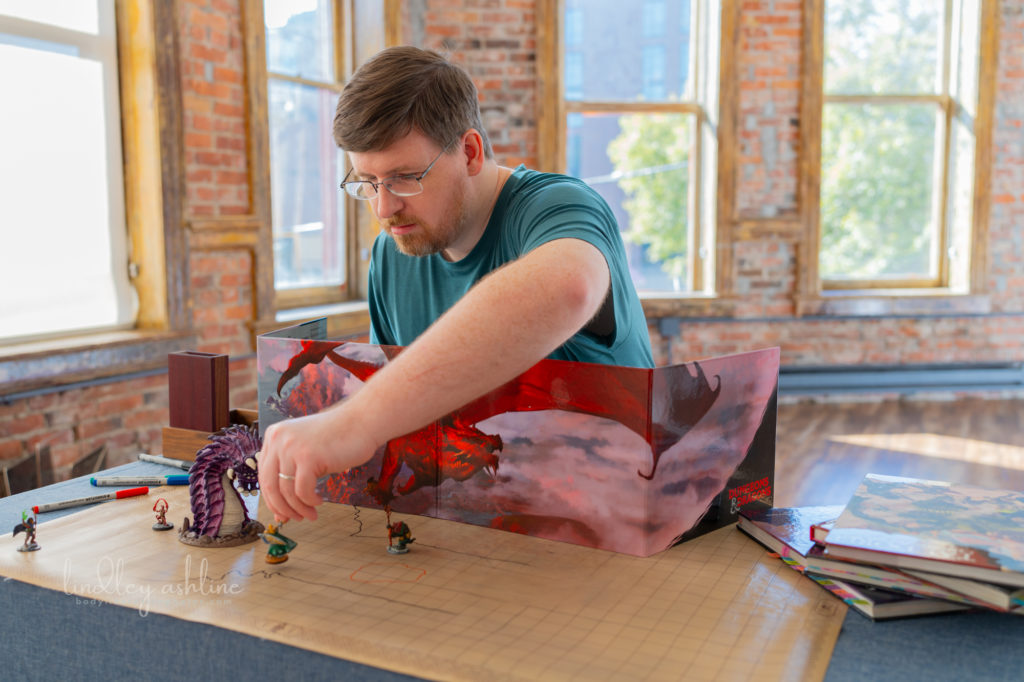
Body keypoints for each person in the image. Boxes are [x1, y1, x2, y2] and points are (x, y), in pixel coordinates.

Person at [259, 46, 653, 524]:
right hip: (479, 528)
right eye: (367, 182)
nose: (383, 209)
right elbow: (410, 407)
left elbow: (568, 285)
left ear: (469, 152)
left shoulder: (558, 206)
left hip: (617, 522)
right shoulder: (392, 253)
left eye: (404, 178)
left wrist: (355, 421)